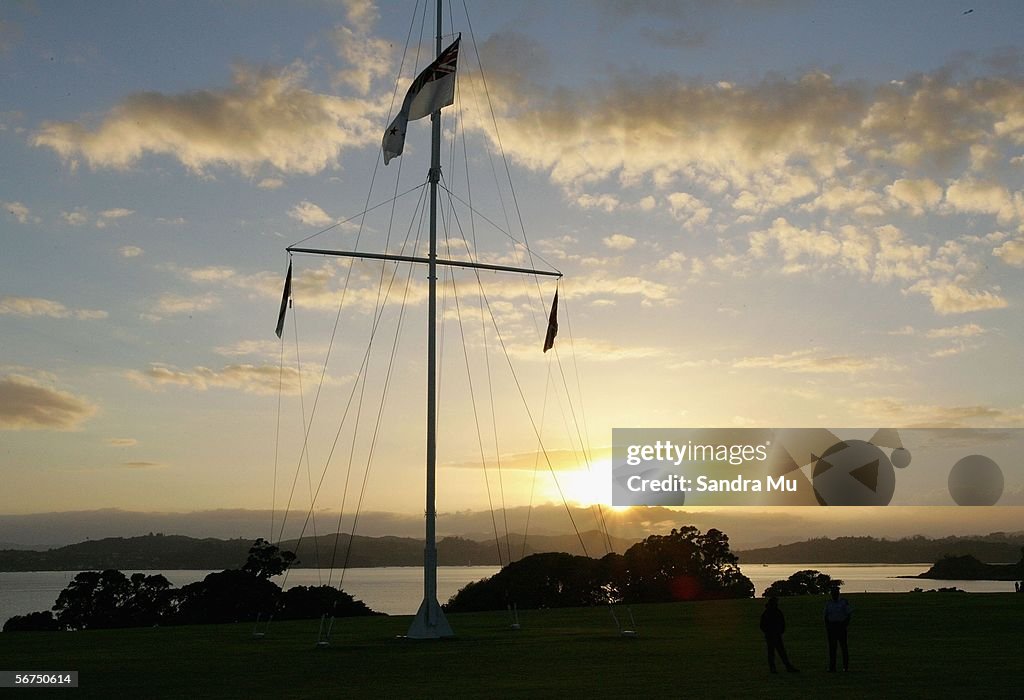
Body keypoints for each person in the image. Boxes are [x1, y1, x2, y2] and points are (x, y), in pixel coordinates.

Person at [760, 596, 798, 673]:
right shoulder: (772, 612)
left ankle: (778, 668)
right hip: (772, 635)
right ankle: (781, 667)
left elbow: (781, 622)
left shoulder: (770, 612)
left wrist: (780, 630)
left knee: (775, 652)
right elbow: (763, 625)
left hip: (774, 634)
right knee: (776, 652)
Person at [823, 586, 852, 672]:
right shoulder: (829, 603)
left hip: (841, 626)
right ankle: (832, 667)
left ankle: (845, 667)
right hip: (832, 626)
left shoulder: (843, 602)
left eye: (835, 593)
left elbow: (848, 614)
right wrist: (827, 626)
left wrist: (845, 624)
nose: (834, 595)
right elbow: (826, 615)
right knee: (832, 648)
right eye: (833, 593)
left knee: (843, 647)